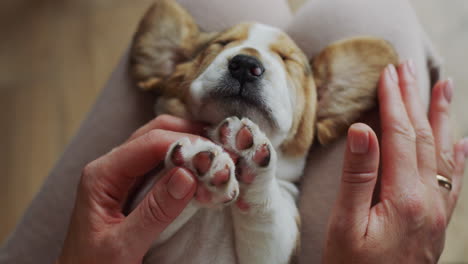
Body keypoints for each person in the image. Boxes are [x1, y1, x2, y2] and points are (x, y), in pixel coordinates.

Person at [1, 0, 466, 263]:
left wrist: (259, 186)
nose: (248, 62)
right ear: (176, 73)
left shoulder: (281, 192)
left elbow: (270, 252)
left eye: (285, 62)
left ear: (322, 104)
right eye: (225, 47)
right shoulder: (162, 146)